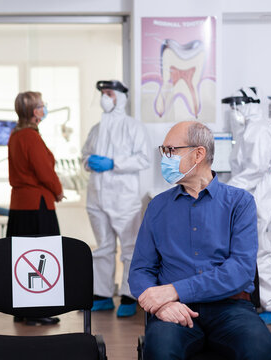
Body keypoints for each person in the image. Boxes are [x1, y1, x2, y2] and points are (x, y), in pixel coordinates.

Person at [129, 121, 271, 359]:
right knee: (160, 351)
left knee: (262, 350)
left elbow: (240, 270)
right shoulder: (157, 206)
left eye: (170, 151)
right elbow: (140, 270)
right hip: (174, 310)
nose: (164, 159)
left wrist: (174, 290)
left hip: (230, 308)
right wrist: (162, 304)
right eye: (163, 151)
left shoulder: (240, 203)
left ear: (198, 154)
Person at [225, 87, 271, 325]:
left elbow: (255, 169)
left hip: (259, 194)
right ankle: (265, 302)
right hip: (248, 193)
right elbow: (240, 168)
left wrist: (227, 189)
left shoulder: (260, 128)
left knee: (260, 250)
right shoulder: (246, 129)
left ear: (249, 103)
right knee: (252, 250)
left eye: (236, 104)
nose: (233, 110)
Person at [81, 80, 150, 317]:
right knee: (103, 247)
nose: (104, 97)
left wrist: (114, 164)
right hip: (97, 196)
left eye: (108, 93)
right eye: (101, 93)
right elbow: (84, 155)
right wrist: (88, 162)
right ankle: (101, 294)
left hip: (124, 198)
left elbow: (143, 159)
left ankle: (129, 295)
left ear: (120, 97)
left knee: (129, 248)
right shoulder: (96, 129)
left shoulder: (133, 127)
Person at [7, 90, 64, 325]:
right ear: (33, 111)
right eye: (41, 105)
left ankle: (23, 310)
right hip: (37, 204)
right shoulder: (31, 137)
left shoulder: (15, 135)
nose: (44, 108)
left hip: (20, 205)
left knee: (23, 258)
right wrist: (58, 190)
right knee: (43, 258)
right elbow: (44, 171)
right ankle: (38, 309)